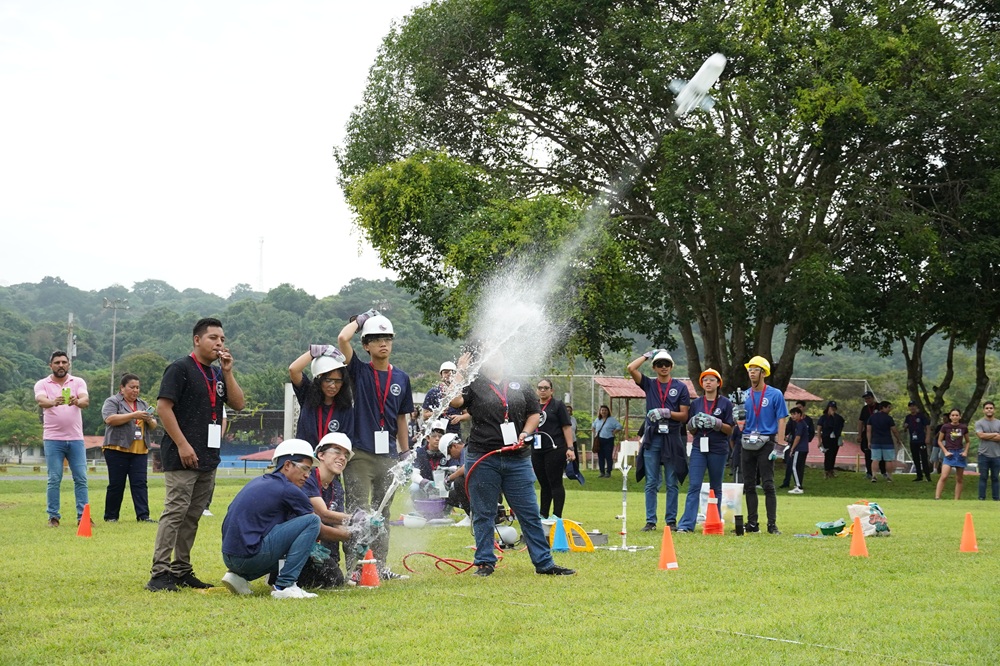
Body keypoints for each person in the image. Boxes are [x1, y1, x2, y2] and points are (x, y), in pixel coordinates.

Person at [450, 348, 574, 577]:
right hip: (483, 457)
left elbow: (534, 413)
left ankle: (544, 564)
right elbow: (455, 400)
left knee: (529, 512)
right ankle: (485, 562)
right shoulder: (474, 384)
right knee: (484, 512)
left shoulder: (519, 383)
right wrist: (460, 372)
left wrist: (525, 433)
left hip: (517, 458)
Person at [147, 317, 246, 593]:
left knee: (193, 515)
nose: (219, 343)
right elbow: (163, 408)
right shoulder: (179, 369)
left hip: (208, 455)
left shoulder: (217, 374)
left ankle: (181, 569)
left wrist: (228, 372)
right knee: (175, 512)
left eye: (222, 339)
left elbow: (238, 403)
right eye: (213, 338)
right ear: (197, 340)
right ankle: (159, 572)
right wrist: (182, 444)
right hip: (182, 455)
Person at [337, 309, 413, 580]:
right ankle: (355, 569)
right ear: (366, 345)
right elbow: (342, 340)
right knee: (358, 510)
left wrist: (404, 453)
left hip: (389, 455)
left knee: (383, 512)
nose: (383, 343)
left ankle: (379, 566)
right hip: (360, 453)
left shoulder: (402, 378)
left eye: (388, 338)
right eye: (376, 339)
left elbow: (402, 419)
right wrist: (360, 320)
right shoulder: (358, 371)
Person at [221, 440, 327, 598]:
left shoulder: (258, 482)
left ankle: (238, 577)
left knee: (289, 528)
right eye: (304, 468)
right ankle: (285, 585)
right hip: (249, 557)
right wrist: (349, 535)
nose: (307, 475)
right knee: (312, 521)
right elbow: (315, 526)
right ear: (287, 465)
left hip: (229, 557)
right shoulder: (288, 489)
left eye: (310, 471)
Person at [628, 349, 690, 532]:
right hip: (653, 436)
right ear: (654, 367)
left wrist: (668, 413)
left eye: (667, 364)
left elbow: (685, 415)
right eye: (659, 364)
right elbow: (631, 368)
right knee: (651, 481)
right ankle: (650, 521)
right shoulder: (649, 384)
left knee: (672, 481)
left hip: (672, 436)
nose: (663, 367)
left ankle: (671, 521)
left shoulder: (680, 387)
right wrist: (647, 354)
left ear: (672, 367)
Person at [35, 350, 90, 527]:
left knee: (81, 477)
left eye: (64, 362)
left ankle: (83, 517)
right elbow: (41, 401)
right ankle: (53, 517)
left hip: (75, 439)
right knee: (54, 478)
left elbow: (85, 401)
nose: (61, 365)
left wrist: (76, 401)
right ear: (50, 365)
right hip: (53, 439)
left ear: (68, 364)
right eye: (57, 362)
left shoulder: (78, 382)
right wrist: (54, 401)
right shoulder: (42, 384)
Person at [678, 369, 734, 531]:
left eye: (712, 380)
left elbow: (729, 429)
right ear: (702, 384)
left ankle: (715, 522)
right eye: (705, 380)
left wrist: (715, 422)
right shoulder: (695, 404)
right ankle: (687, 525)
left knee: (716, 487)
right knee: (694, 485)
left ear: (718, 383)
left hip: (718, 448)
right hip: (698, 448)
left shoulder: (725, 403)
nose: (708, 383)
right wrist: (693, 424)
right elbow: (691, 430)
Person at [297, 433, 354, 589]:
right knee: (309, 582)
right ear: (320, 455)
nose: (342, 457)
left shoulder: (337, 486)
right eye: (337, 451)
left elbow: (338, 524)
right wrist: (356, 520)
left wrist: (357, 535)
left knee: (335, 582)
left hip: (320, 541)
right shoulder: (308, 479)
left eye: (346, 455)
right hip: (301, 541)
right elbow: (323, 514)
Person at [740, 355, 788, 535]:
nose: (751, 373)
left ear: (763, 373)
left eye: (755, 369)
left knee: (768, 483)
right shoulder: (744, 395)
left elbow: (782, 419)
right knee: (749, 484)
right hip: (747, 441)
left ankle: (772, 524)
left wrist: (780, 445)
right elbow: (739, 420)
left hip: (767, 441)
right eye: (749, 369)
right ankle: (752, 523)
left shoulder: (775, 394)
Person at [101, 373, 158, 523]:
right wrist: (134, 415)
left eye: (137, 387)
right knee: (116, 484)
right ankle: (111, 516)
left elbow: (153, 425)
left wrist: (149, 419)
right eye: (132, 387)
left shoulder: (143, 404)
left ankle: (143, 516)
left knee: (140, 483)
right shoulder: (113, 401)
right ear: (122, 388)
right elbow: (110, 419)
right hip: (117, 449)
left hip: (139, 450)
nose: (135, 390)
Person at [288, 345, 355, 448]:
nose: (333, 386)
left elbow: (346, 442)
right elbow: (293, 370)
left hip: (330, 460)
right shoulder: (307, 394)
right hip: (305, 458)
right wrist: (314, 352)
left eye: (338, 381)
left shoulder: (345, 408)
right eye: (328, 380)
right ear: (319, 380)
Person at [532, 378, 575, 519]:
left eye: (546, 387)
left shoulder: (557, 405)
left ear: (552, 390)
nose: (542, 390)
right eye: (540, 387)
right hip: (537, 448)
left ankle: (557, 515)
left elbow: (566, 427)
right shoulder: (533, 406)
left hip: (555, 448)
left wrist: (570, 447)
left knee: (555, 481)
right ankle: (543, 514)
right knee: (543, 483)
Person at [422, 361, 467, 435]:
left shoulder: (460, 393)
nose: (449, 375)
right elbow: (424, 416)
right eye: (446, 372)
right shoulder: (433, 392)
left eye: (452, 372)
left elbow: (468, 415)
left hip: (454, 432)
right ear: (441, 375)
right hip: (436, 433)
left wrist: (460, 417)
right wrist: (438, 412)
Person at [935, 409, 970, 500]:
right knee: (944, 476)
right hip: (949, 453)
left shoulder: (963, 427)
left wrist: (965, 451)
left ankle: (956, 499)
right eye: (953, 415)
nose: (955, 417)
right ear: (950, 417)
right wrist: (945, 451)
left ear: (960, 416)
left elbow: (968, 441)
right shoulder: (945, 427)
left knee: (959, 479)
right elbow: (939, 441)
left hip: (959, 453)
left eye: (956, 415)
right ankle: (937, 497)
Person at [866, 400, 902, 482]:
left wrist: (869, 441)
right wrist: (898, 439)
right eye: (889, 407)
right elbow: (894, 430)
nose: (890, 409)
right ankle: (889, 477)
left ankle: (874, 476)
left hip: (875, 441)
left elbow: (868, 430)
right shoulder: (889, 418)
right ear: (883, 408)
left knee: (875, 459)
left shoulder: (872, 417)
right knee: (888, 460)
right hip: (887, 442)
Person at [441, 434, 471, 525]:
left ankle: (473, 516)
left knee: (459, 482)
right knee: (452, 495)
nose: (452, 457)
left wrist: (449, 478)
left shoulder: (466, 449)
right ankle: (471, 514)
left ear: (454, 446)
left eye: (449, 453)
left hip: (484, 486)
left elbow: (465, 468)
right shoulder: (465, 451)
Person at [974, 402, 1000, 501]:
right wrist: (995, 434)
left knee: (995, 478)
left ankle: (996, 499)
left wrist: (987, 436)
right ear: (983, 410)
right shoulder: (979, 423)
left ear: (994, 410)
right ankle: (981, 498)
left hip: (997, 455)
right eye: (987, 408)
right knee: (983, 477)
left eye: (991, 408)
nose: (989, 410)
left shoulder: (999, 423)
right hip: (983, 455)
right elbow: (980, 435)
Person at [903, 401, 932, 482]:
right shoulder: (908, 417)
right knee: (915, 458)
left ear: (916, 407)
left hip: (921, 440)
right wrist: (905, 427)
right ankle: (919, 476)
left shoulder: (921, 416)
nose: (912, 408)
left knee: (924, 458)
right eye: (910, 406)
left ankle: (927, 475)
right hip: (913, 441)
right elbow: (905, 428)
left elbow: (927, 427)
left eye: (913, 406)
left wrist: (928, 437)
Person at [592, 405, 623, 478]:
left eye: (605, 410)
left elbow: (619, 426)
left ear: (608, 411)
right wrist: (595, 434)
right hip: (599, 440)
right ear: (600, 411)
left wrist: (614, 432)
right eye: (602, 410)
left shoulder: (611, 420)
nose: (604, 412)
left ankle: (608, 472)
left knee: (608, 456)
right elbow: (593, 427)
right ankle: (602, 472)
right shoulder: (597, 419)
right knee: (600, 456)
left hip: (608, 439)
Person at [817, 401, 844, 478]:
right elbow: (819, 429)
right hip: (826, 438)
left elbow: (840, 425)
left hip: (835, 438)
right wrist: (819, 441)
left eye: (834, 408)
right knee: (828, 454)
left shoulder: (838, 418)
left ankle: (831, 470)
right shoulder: (823, 418)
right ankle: (826, 470)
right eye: (831, 408)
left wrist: (834, 416)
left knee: (833, 454)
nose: (832, 409)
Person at [784, 407, 809, 494]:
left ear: (799, 414)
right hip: (804, 448)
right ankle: (797, 485)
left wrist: (792, 448)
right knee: (798, 467)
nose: (793, 416)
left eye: (795, 414)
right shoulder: (802, 424)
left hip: (799, 448)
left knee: (794, 467)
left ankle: (798, 486)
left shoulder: (800, 424)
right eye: (792, 414)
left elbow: (798, 437)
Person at [857, 390, 879, 480]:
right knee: (867, 452)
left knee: (879, 453)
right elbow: (860, 421)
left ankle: (882, 471)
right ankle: (869, 472)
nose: (867, 400)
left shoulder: (879, 406)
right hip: (866, 433)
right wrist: (859, 434)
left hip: (878, 433)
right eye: (866, 399)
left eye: (868, 398)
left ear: (872, 398)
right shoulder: (865, 409)